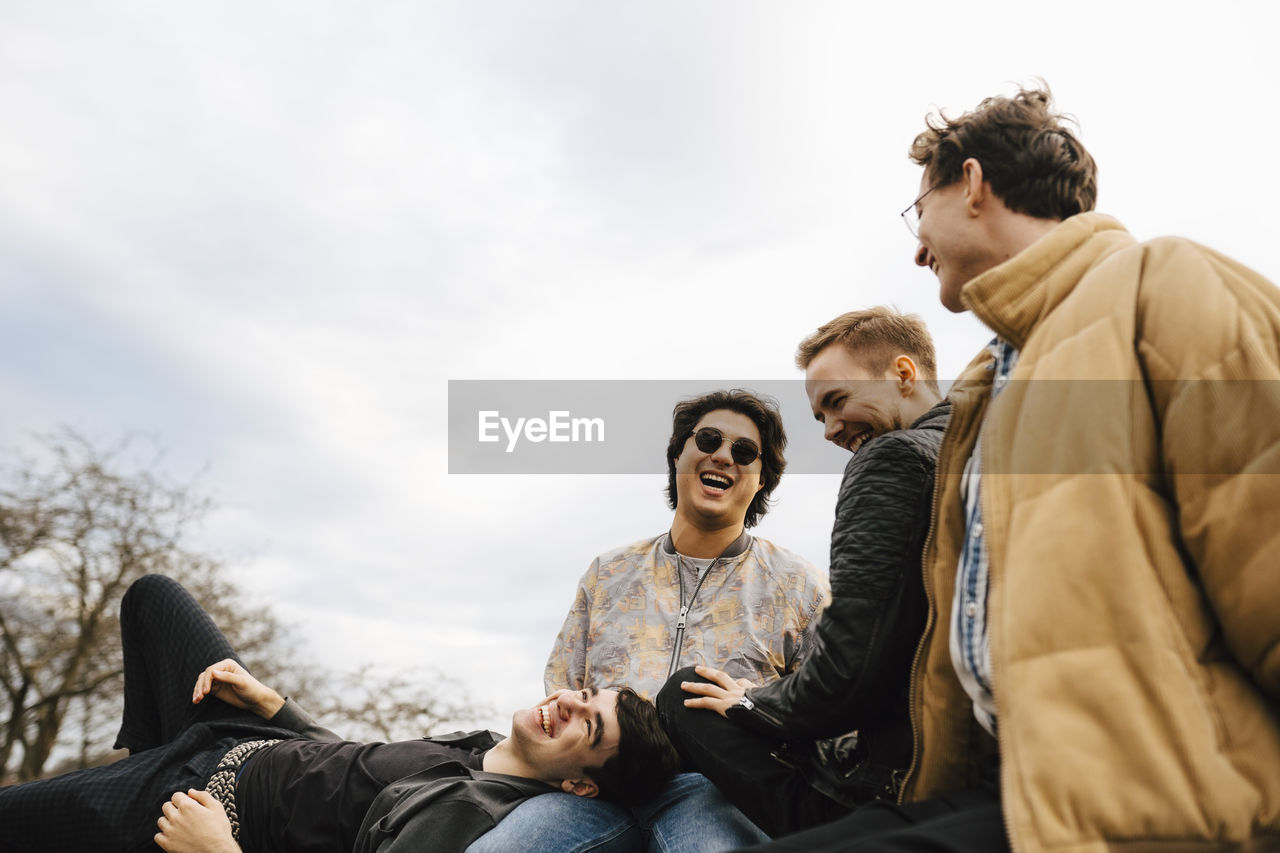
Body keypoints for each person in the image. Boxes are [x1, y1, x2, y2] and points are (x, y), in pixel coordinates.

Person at [747, 84, 1280, 852]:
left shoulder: (1168, 286)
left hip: (1172, 803)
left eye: (917, 212)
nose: (917, 245)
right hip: (1014, 793)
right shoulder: (986, 387)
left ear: (970, 185)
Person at [0, 574, 679, 853]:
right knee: (153, 597)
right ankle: (136, 766)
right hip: (243, 731)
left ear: (581, 785)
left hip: (203, 800)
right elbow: (351, 765)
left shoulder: (472, 817)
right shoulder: (482, 740)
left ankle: (124, 797)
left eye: (586, 724)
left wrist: (221, 850)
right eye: (585, 693)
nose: (566, 702)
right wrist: (275, 704)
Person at [468, 389, 830, 852]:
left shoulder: (802, 587)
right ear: (678, 454)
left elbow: (827, 714)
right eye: (708, 439)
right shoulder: (609, 571)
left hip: (715, 791)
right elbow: (562, 682)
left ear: (762, 480)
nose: (723, 455)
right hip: (596, 789)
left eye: (744, 452)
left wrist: (757, 710)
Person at [657, 308, 949, 837]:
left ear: (904, 374)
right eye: (819, 417)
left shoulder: (891, 459)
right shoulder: (982, 448)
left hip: (880, 786)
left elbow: (846, 675)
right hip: (953, 747)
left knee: (684, 696)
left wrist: (750, 705)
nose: (833, 430)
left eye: (837, 401)